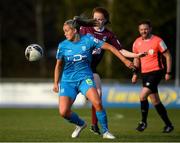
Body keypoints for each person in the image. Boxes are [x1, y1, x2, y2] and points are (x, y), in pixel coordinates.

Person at [53, 17, 135, 139]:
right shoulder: (62, 46)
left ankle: (106, 132)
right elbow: (58, 66)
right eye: (64, 31)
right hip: (68, 82)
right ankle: (80, 124)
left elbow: (110, 47)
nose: (65, 34)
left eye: (66, 30)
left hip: (85, 78)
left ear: (75, 30)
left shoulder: (88, 40)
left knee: (97, 102)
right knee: (63, 112)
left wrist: (124, 60)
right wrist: (56, 83)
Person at [79, 7, 146, 135]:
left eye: (100, 19)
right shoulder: (85, 29)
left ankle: (94, 125)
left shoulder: (108, 35)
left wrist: (136, 55)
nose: (97, 21)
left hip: (91, 68)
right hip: (78, 67)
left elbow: (120, 51)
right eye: (95, 18)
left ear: (105, 20)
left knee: (98, 95)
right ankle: (84, 92)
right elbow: (72, 36)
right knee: (81, 99)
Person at [131, 19, 174, 133]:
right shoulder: (136, 42)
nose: (144, 31)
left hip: (156, 72)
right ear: (139, 30)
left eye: (146, 29)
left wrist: (168, 72)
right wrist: (135, 74)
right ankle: (169, 125)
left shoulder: (158, 41)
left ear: (150, 29)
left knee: (142, 95)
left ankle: (143, 122)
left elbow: (168, 56)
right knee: (155, 101)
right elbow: (136, 59)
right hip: (145, 74)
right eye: (141, 29)